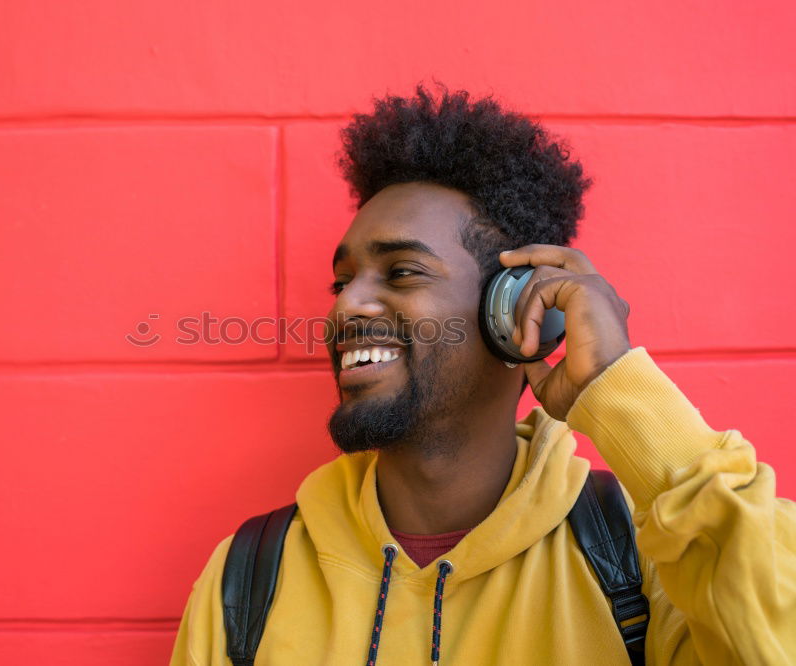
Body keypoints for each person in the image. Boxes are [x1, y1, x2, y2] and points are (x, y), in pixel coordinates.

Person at [170, 83, 796, 665]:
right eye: (342, 281)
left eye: (402, 272)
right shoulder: (247, 580)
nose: (344, 307)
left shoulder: (644, 559)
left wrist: (614, 383)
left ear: (514, 310)